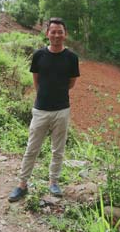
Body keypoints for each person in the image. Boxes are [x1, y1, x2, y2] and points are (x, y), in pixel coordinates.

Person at [8, 17, 80, 202]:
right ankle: (22, 185)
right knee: (32, 148)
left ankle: (53, 182)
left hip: (62, 110)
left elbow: (71, 83)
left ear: (65, 34)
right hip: (40, 110)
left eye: (60, 32)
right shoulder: (39, 55)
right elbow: (36, 81)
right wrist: (45, 97)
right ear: (47, 33)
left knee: (58, 149)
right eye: (53, 31)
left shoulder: (72, 58)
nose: (56, 35)